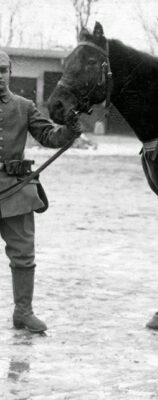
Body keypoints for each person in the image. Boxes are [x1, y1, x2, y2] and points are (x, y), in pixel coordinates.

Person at [0, 49, 81, 333]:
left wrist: (69, 129)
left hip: (15, 190)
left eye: (3, 70)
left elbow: (48, 135)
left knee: (23, 254)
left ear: (10, 72)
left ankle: (23, 312)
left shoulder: (23, 106)